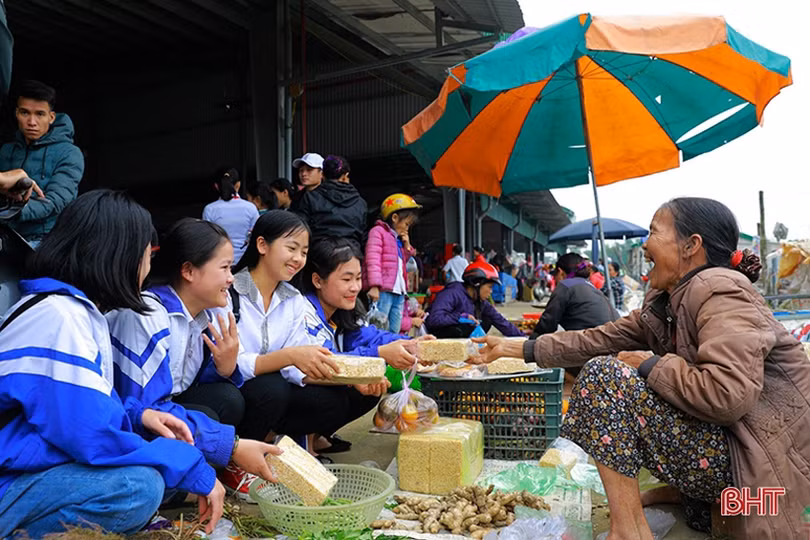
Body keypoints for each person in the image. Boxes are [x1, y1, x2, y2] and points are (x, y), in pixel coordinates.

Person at [475, 197, 810, 540]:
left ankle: (629, 532)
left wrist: (650, 363)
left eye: (653, 232)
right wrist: (518, 348)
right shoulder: (667, 301)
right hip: (733, 448)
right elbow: (597, 339)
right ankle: (682, 497)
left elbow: (726, 395)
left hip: (756, 462)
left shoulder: (722, 291)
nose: (646, 245)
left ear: (691, 246)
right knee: (607, 366)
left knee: (605, 378)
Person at [0, 190, 278, 537]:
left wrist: (139, 415)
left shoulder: (74, 311)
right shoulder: (62, 317)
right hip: (9, 480)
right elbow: (93, 435)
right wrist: (194, 468)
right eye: (146, 256)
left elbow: (92, 411)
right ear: (117, 257)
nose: (148, 269)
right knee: (138, 488)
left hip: (25, 464)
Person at [107, 218, 257, 500]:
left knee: (227, 397)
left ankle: (199, 475)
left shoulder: (205, 316)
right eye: (224, 267)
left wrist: (226, 368)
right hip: (135, 418)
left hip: (159, 407)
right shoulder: (148, 315)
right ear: (188, 270)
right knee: (212, 415)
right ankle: (178, 488)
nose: (231, 278)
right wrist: (231, 445)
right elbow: (144, 409)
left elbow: (186, 382)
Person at [301, 237, 432, 406]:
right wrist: (379, 353)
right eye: (347, 280)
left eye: (358, 278)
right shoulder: (304, 312)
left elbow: (369, 336)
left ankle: (319, 433)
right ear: (317, 280)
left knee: (373, 385)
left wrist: (410, 344)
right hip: (296, 389)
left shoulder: (343, 312)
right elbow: (325, 362)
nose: (355, 287)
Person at [0, 80, 84, 245]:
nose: (32, 122)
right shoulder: (6, 151)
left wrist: (12, 212)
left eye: (40, 114)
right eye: (25, 113)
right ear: (16, 113)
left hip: (49, 241)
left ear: (51, 117)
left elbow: (56, 200)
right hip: (7, 237)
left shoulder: (70, 153)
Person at [364, 193, 421, 334]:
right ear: (394, 218)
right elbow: (373, 259)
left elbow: (402, 263)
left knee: (395, 329)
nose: (407, 228)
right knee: (380, 328)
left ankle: (393, 353)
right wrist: (374, 286)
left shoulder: (397, 240)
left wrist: (407, 247)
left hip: (398, 291)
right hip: (384, 290)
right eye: (406, 224)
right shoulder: (378, 232)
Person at [425, 261, 522, 339]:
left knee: (488, 319)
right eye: (489, 287)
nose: (491, 291)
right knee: (465, 326)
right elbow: (433, 319)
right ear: (477, 284)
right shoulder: (452, 293)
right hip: (439, 336)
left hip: (462, 335)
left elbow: (500, 321)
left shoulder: (480, 300)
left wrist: (523, 338)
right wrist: (460, 317)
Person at [294, 155, 367, 249]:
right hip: (352, 254)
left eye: (309, 169)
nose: (303, 174)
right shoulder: (360, 202)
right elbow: (363, 236)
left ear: (322, 175)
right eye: (301, 170)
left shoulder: (310, 197)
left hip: (320, 254)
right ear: (345, 176)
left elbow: (300, 228)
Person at [202, 168, 259, 263]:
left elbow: (207, 240)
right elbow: (256, 235)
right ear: (238, 185)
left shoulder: (210, 209)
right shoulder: (250, 207)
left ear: (216, 186)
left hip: (220, 263)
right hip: (246, 262)